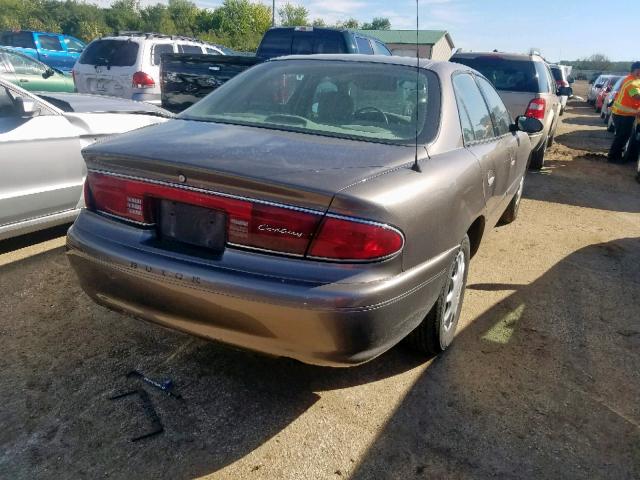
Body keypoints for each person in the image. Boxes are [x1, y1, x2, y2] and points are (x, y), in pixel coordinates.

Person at [607, 61, 640, 163]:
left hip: (622, 113)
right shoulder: (632, 83)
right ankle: (613, 157)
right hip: (623, 114)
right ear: (636, 71)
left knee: (622, 136)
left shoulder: (630, 78)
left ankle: (616, 155)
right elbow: (636, 96)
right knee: (622, 136)